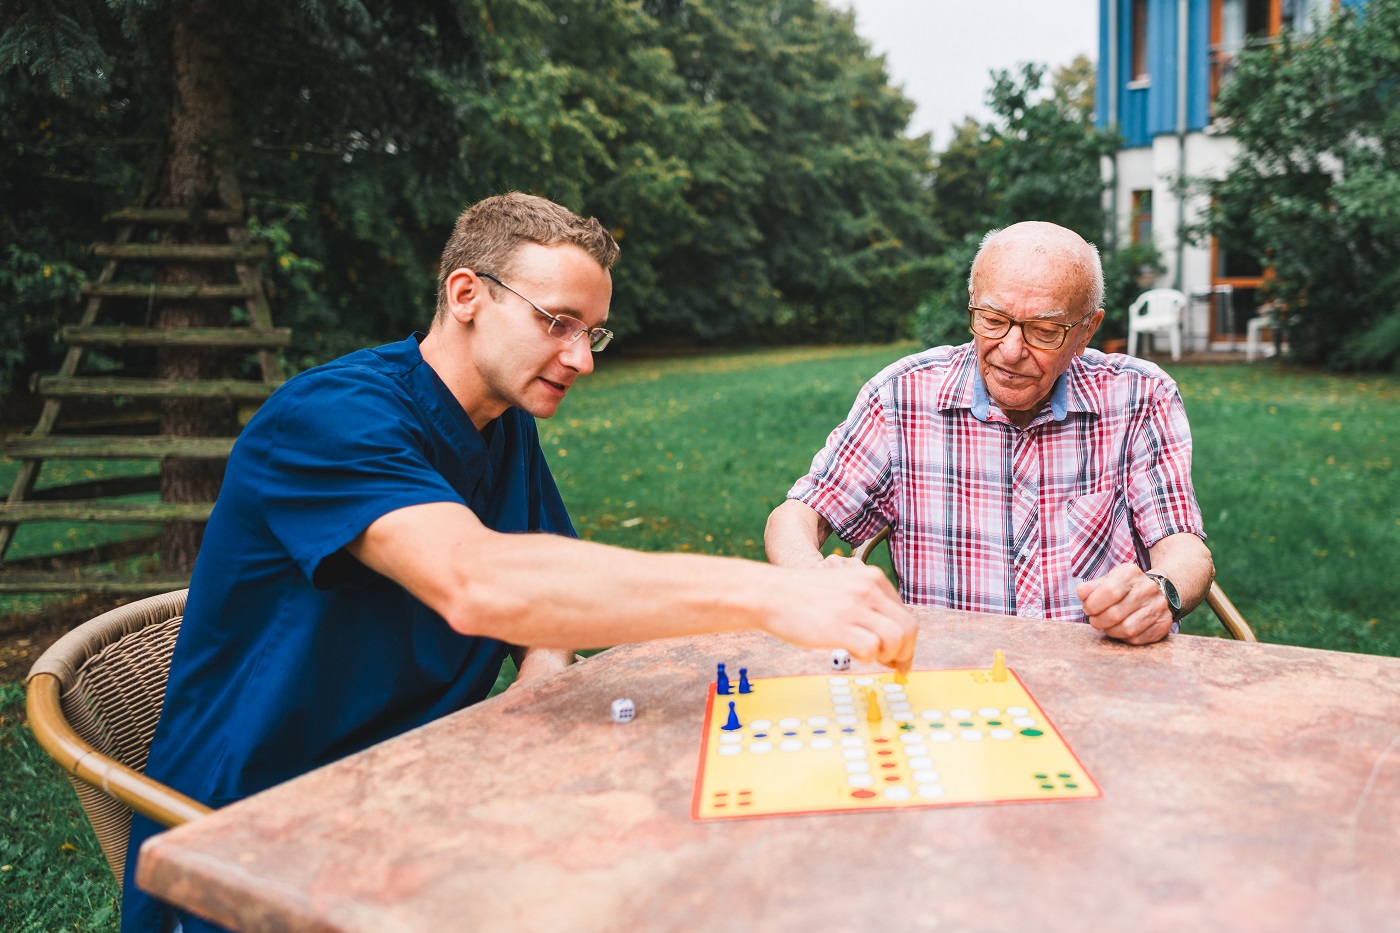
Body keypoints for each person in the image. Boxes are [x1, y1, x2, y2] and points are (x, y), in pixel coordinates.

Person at [123, 193, 915, 933]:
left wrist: (536, 696)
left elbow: (548, 600)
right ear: (467, 294)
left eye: (593, 333)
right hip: (250, 839)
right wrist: (771, 592)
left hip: (417, 799)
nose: (583, 358)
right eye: (558, 322)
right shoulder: (329, 419)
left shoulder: (500, 424)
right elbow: (480, 582)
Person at [766, 221, 1213, 647]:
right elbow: (800, 513)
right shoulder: (902, 394)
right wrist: (810, 573)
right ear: (972, 304)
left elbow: (1184, 548)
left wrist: (1161, 592)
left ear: (1086, 331)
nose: (1011, 351)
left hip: (1097, 675)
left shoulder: (1139, 395)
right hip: (946, 679)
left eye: (1044, 330)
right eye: (993, 320)